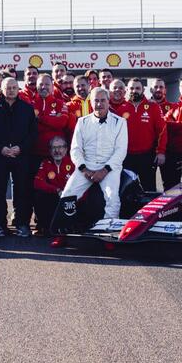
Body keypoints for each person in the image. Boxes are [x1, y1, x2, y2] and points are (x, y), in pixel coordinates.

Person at [50, 88, 129, 247]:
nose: (99, 104)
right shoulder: (82, 122)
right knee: (68, 195)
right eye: (96, 101)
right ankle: (62, 233)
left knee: (112, 198)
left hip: (110, 168)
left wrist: (104, 170)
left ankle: (109, 236)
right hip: (85, 167)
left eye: (102, 100)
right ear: (91, 102)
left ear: (108, 101)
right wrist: (84, 169)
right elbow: (75, 149)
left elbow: (121, 151)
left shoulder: (120, 122)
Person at [0, 77, 38, 238]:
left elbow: (33, 133)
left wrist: (21, 148)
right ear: (1, 88)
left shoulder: (27, 108)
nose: (11, 90)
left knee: (22, 191)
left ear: (18, 89)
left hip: (21, 155)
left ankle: (22, 224)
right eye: (8, 87)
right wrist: (1, 149)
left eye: (14, 87)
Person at [116, 78, 167, 191]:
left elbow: (162, 130)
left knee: (149, 189)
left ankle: (150, 209)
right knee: (127, 189)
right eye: (132, 88)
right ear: (127, 90)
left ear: (143, 90)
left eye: (138, 88)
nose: (135, 91)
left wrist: (161, 152)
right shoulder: (121, 109)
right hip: (127, 158)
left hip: (147, 157)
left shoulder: (153, 107)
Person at [33, 135, 74, 237]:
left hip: (70, 199)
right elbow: (37, 182)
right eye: (54, 148)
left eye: (60, 147)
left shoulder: (73, 163)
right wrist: (56, 190)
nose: (57, 151)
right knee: (39, 195)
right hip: (54, 197)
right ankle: (45, 227)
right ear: (50, 150)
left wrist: (66, 193)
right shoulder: (46, 163)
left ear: (66, 149)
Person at [32, 75, 70, 169]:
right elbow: (32, 126)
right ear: (36, 86)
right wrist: (53, 120)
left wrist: (40, 118)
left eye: (47, 84)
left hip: (57, 153)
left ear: (52, 86)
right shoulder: (30, 104)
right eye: (41, 84)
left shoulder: (60, 103)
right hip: (36, 153)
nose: (44, 87)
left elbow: (61, 123)